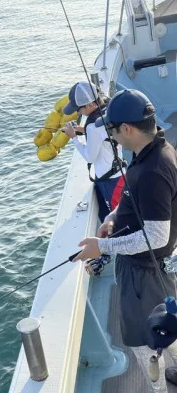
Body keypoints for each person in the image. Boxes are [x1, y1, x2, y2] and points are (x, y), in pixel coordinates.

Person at [73, 89, 177, 391]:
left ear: (128, 129)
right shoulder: (153, 150)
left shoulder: (153, 171)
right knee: (168, 322)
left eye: (113, 130)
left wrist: (102, 246)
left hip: (145, 272)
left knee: (143, 342)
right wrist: (114, 218)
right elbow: (135, 198)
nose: (112, 136)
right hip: (153, 269)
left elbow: (156, 236)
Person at [62, 81, 125, 222]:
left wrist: (74, 138)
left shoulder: (93, 127)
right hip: (119, 173)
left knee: (116, 220)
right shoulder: (108, 111)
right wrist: (81, 130)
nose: (78, 112)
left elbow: (90, 157)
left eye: (79, 109)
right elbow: (103, 136)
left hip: (110, 181)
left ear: (90, 104)